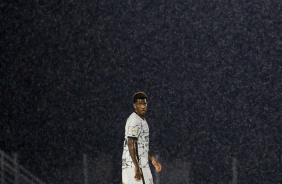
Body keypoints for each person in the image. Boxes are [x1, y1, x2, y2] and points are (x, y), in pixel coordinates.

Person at [122, 92, 162, 184]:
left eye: (144, 104)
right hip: (136, 166)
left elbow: (140, 144)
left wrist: (152, 158)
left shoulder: (141, 120)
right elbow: (130, 143)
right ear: (134, 106)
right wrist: (136, 166)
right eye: (140, 104)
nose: (143, 106)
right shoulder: (134, 120)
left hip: (140, 165)